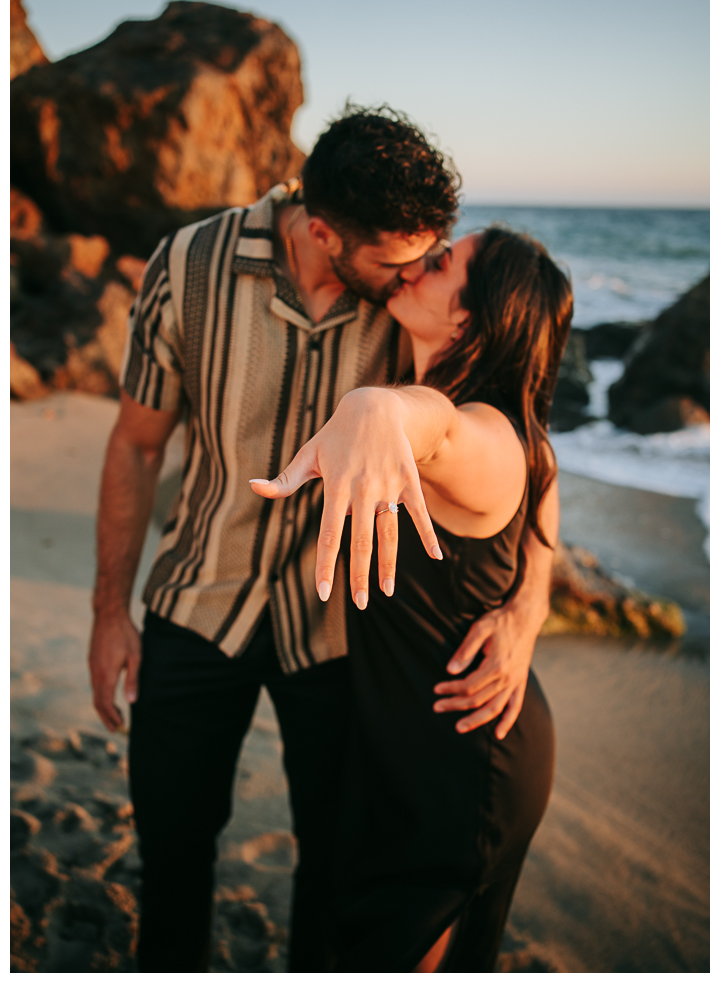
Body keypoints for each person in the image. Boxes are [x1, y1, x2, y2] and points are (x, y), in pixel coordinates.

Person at [88, 105, 556, 971]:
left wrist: (527, 603)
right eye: (398, 258)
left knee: (335, 878)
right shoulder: (187, 265)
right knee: (174, 854)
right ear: (322, 233)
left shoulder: (418, 308)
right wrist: (108, 611)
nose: (416, 270)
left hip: (342, 643)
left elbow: (519, 448)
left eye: (432, 254)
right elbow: (136, 443)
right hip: (197, 602)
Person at [251, 225, 572, 970]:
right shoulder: (484, 404)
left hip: (467, 760)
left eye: (441, 264)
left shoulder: (478, 427)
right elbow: (541, 465)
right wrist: (534, 597)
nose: (415, 269)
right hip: (407, 741)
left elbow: (446, 434)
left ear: (466, 320)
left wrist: (379, 409)